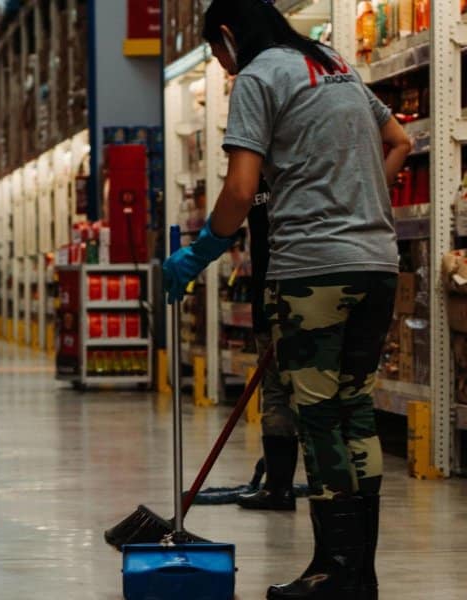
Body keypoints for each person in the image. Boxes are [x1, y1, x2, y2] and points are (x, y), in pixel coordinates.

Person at [163, 1, 411, 598]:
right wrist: (358, 196)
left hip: (314, 272)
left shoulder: (258, 76)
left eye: (219, 56)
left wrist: (201, 252)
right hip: (376, 264)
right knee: (356, 415)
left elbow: (241, 188)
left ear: (227, 37)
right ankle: (360, 573)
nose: (224, 70)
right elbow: (397, 139)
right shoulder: (333, 64)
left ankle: (333, 572)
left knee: (319, 419)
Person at [236, 180, 299, 512]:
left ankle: (279, 487)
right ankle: (329, 487)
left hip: (271, 293)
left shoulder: (253, 173)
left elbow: (232, 208)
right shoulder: (306, 163)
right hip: (314, 290)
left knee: (276, 394)